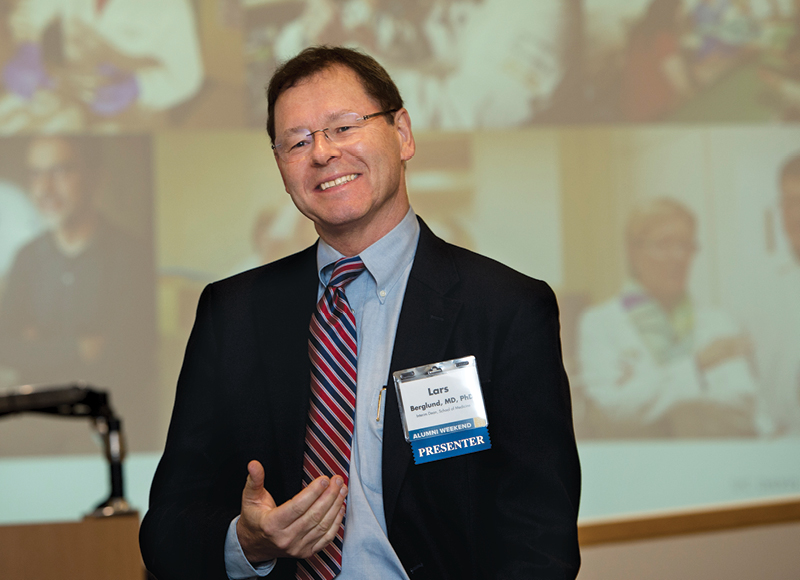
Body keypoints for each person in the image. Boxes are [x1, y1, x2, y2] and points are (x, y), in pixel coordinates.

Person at [140, 46, 580, 579]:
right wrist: (248, 542)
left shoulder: (506, 310)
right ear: (281, 168)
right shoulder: (232, 313)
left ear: (402, 133)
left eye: (344, 127)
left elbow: (540, 537)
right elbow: (167, 528)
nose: (322, 153)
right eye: (297, 142)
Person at [0, 135, 156, 453]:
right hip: (35, 433)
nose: (44, 189)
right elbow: (6, 348)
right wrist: (79, 348)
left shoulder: (130, 256)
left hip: (109, 432)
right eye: (36, 174)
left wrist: (40, 345)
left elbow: (124, 357)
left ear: (94, 177)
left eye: (60, 171)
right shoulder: (26, 258)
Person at [578, 197, 770, 438]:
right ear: (633, 252)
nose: (679, 256)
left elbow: (745, 408)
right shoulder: (600, 323)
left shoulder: (719, 322)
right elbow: (612, 412)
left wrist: (646, 390)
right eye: (664, 244)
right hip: (637, 468)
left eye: (686, 245)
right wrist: (696, 368)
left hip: (711, 464)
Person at [1, 0, 203, 130]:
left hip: (138, 111)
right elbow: (35, 6)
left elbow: (187, 76)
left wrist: (138, 86)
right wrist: (27, 45)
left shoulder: (172, 7)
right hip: (77, 89)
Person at [752, 154, 800, 434]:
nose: (795, 214)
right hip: (778, 448)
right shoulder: (756, 285)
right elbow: (747, 377)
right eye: (788, 202)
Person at [620, 0, 695, 121]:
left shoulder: (638, 36)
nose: (682, 15)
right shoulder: (663, 38)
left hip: (634, 114)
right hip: (660, 114)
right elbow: (682, 86)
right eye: (680, 10)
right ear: (669, 11)